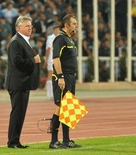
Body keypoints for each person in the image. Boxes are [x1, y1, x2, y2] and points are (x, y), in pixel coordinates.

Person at [4, 15, 41, 149]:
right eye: (27, 26)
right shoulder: (16, 42)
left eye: (31, 26)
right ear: (18, 27)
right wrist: (34, 61)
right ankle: (13, 142)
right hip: (18, 83)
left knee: (20, 114)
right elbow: (17, 61)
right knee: (17, 113)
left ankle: (15, 140)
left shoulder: (22, 41)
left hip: (22, 83)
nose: (30, 28)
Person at [49, 14, 80, 149]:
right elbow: (56, 59)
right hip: (63, 77)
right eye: (74, 24)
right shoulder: (60, 39)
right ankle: (53, 141)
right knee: (60, 106)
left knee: (69, 107)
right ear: (66, 25)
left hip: (71, 77)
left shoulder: (70, 40)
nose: (76, 27)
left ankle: (67, 140)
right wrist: (60, 76)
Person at [44, 25, 60, 98]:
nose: (57, 31)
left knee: (58, 75)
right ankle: (49, 93)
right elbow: (48, 49)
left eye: (58, 30)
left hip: (58, 59)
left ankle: (56, 92)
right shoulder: (50, 38)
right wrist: (46, 60)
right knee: (50, 74)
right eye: (56, 30)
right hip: (51, 58)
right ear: (53, 30)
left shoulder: (60, 37)